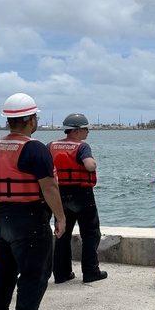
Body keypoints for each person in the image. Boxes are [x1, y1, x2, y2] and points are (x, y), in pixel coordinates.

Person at [0, 93, 66, 310]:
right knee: (35, 274)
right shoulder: (34, 148)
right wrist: (60, 217)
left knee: (3, 274)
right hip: (28, 219)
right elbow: (49, 186)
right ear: (31, 119)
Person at [49, 113, 106, 285]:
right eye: (86, 129)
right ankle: (91, 271)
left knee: (62, 233)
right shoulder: (82, 147)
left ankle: (61, 273)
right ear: (77, 131)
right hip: (81, 194)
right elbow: (89, 165)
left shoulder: (50, 145)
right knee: (90, 234)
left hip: (59, 193)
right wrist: (94, 164)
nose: (88, 132)